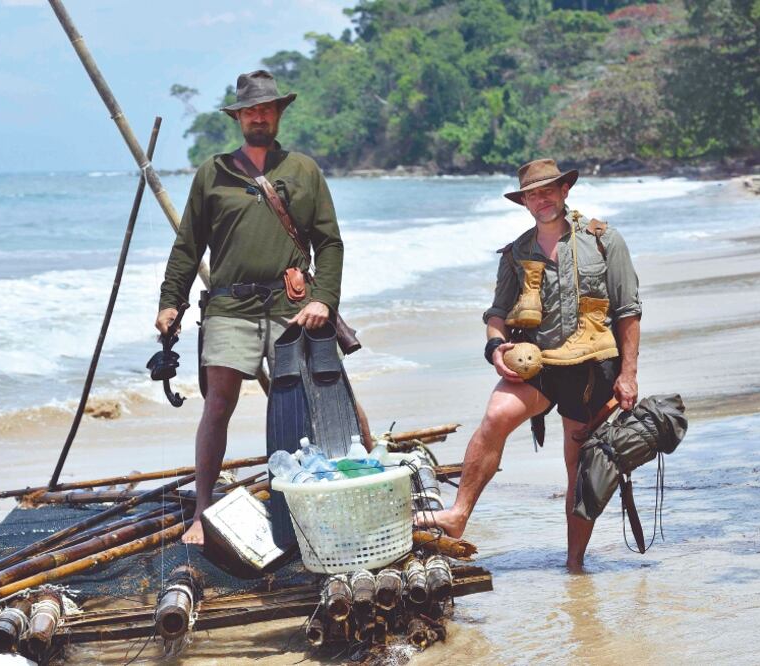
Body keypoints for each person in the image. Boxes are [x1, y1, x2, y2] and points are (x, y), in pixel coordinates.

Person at [156, 70, 371, 545]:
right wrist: (171, 301)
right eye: (251, 110)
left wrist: (323, 301)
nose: (259, 116)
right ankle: (202, 511)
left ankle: (337, 493)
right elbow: (188, 246)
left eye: (267, 109)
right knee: (218, 406)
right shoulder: (214, 172)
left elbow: (329, 244)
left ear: (277, 115)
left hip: (291, 306)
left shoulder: (302, 170)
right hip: (230, 308)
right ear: (239, 118)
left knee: (316, 400)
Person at [418, 159, 641, 571]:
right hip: (536, 364)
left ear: (565, 191)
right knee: (496, 416)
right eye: (533, 194)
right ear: (524, 202)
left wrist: (628, 375)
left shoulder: (605, 240)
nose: (542, 199)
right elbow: (497, 314)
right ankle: (458, 515)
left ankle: (574, 563)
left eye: (548, 190)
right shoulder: (516, 253)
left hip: (591, 369)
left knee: (577, 464)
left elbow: (628, 311)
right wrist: (495, 349)